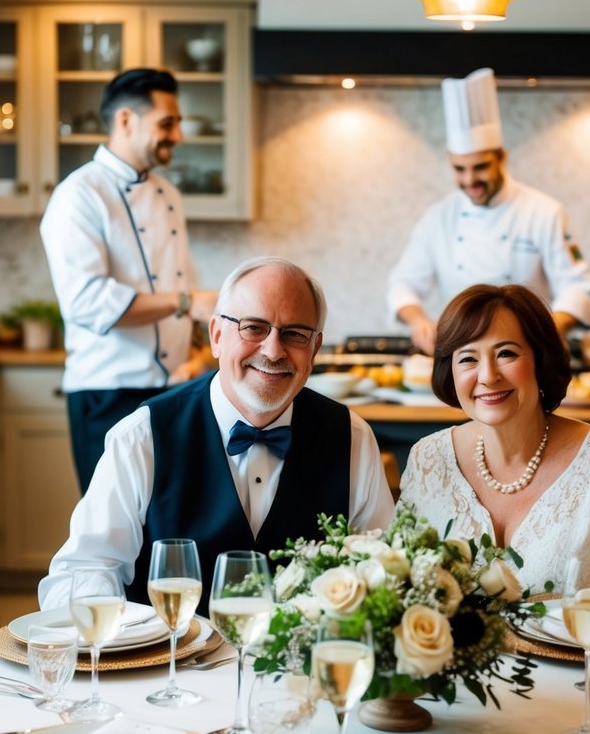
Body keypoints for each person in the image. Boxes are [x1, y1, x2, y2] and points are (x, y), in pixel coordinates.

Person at [38, 257, 395, 612]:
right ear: (217, 336)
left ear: (314, 349)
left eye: (294, 334)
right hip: (170, 663)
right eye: (253, 328)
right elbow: (85, 569)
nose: (273, 350)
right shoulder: (143, 435)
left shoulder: (352, 437)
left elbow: (384, 570)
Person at [398, 284, 590, 594]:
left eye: (506, 353)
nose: (488, 376)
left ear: (541, 361)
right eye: (468, 359)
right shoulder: (427, 458)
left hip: (585, 643)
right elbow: (401, 587)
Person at [40, 67, 217, 493]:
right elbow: (87, 301)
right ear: (125, 120)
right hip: (107, 394)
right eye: (167, 123)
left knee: (169, 522)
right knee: (115, 530)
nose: (177, 135)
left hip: (171, 388)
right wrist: (185, 303)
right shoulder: (78, 195)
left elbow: (184, 281)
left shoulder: (168, 195)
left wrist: (198, 354)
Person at [387, 67, 590, 354]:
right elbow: (403, 283)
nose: (469, 180)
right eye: (459, 169)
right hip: (462, 355)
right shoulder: (439, 217)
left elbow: (577, 288)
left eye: (480, 167)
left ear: (502, 158)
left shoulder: (544, 212)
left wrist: (545, 333)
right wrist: (418, 320)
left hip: (528, 354)